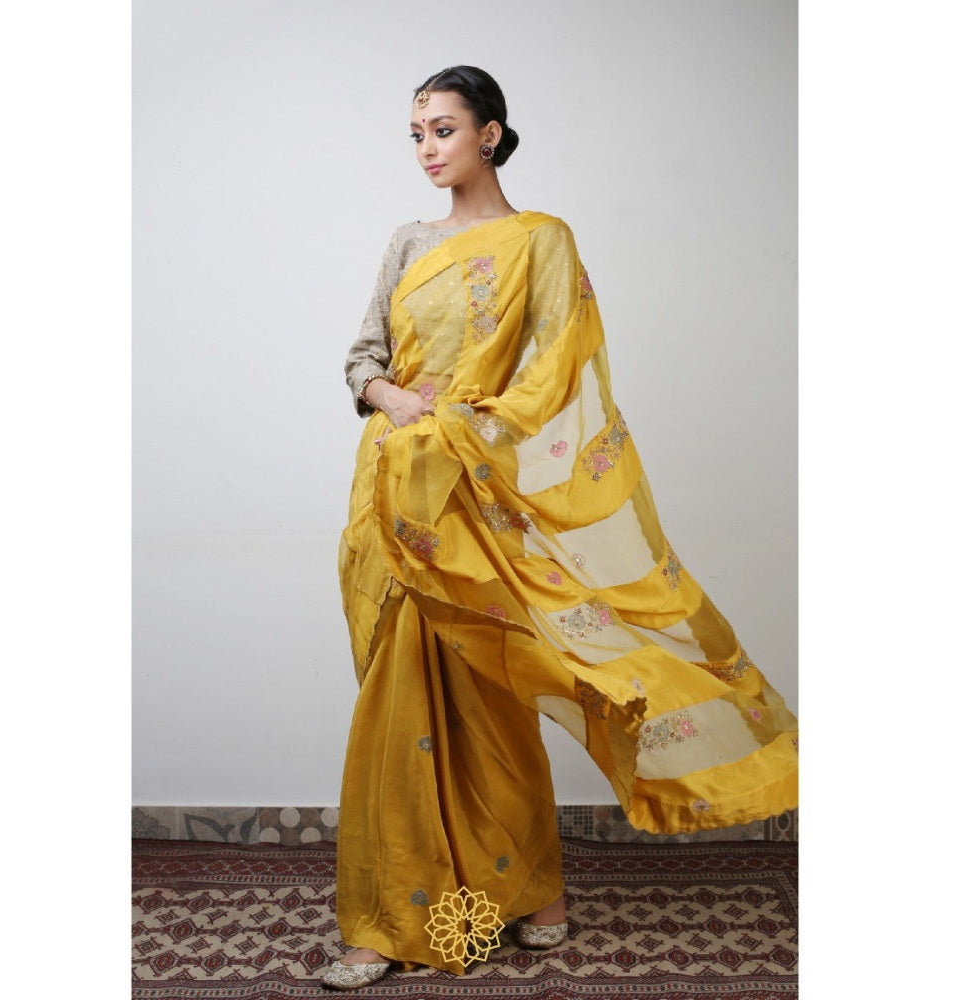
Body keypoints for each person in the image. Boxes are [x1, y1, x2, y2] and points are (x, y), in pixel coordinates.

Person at [325, 66, 798, 990]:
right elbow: (362, 357)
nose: (427, 148)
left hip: (480, 498)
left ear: (490, 135)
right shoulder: (407, 242)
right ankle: (385, 923)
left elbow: (554, 375)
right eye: (416, 133)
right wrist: (393, 399)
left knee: (497, 694)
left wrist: (462, 426)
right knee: (397, 699)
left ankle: (534, 891)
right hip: (397, 494)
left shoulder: (543, 240)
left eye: (444, 129)